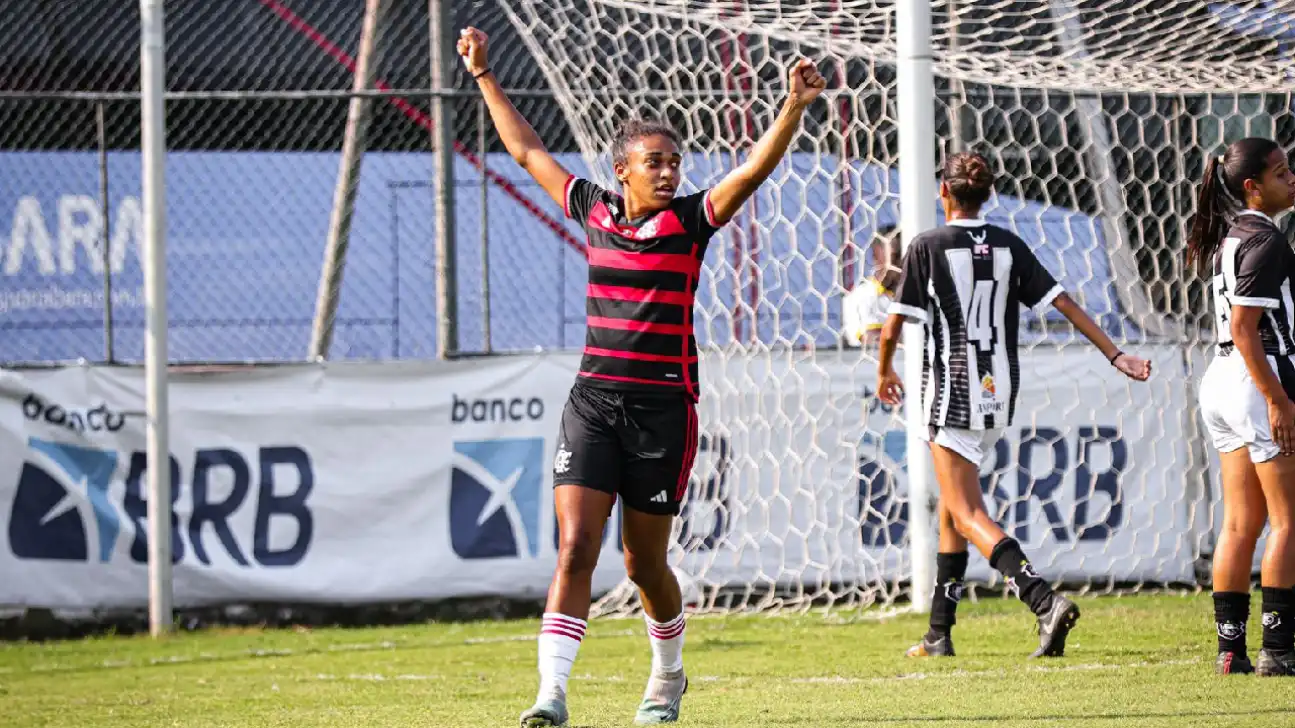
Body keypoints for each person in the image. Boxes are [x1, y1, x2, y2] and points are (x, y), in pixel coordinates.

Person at [456, 26, 826, 726]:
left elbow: (748, 173)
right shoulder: (592, 210)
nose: (668, 172)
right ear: (620, 170)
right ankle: (551, 696)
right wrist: (481, 75)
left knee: (640, 566)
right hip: (591, 403)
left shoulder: (691, 222)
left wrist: (792, 108)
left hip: (662, 409)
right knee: (574, 548)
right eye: (653, 162)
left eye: (674, 162)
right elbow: (526, 149)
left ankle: (668, 676)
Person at [875, 151, 1153, 659]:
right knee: (952, 515)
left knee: (965, 509)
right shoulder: (1007, 245)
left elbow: (894, 324)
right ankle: (939, 633)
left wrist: (883, 370)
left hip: (950, 392)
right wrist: (1116, 354)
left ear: (944, 193)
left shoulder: (927, 245)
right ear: (988, 195)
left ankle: (1043, 601)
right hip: (998, 392)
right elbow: (1064, 301)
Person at [1190, 136, 1295, 677]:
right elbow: (1245, 327)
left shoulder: (1226, 237)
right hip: (1258, 377)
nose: (1291, 178)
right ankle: (1279, 651)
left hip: (1223, 378)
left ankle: (1230, 650)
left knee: (1240, 524)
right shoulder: (1268, 240)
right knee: (1288, 521)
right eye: (1281, 172)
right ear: (1252, 186)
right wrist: (1278, 399)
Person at [842, 225, 902, 348]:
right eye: (895, 256)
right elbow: (875, 340)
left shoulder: (921, 294)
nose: (901, 262)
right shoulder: (862, 298)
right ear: (876, 257)